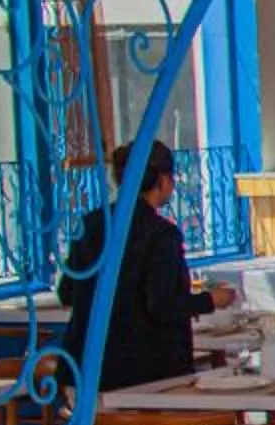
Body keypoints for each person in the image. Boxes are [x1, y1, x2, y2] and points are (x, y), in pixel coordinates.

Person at [57, 141, 238, 389]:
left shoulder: (90, 224)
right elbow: (162, 305)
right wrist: (211, 300)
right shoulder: (161, 234)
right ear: (163, 181)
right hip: (144, 373)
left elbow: (66, 292)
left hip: (85, 368)